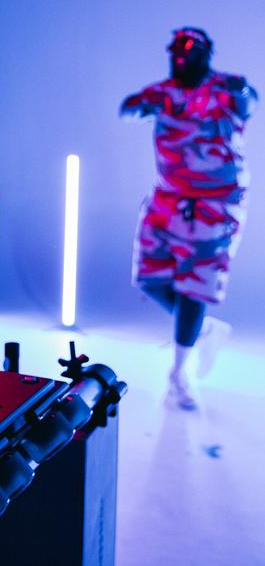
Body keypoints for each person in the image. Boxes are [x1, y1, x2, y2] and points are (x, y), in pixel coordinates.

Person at [120, 27, 254, 410]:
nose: (181, 57)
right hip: (168, 197)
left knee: (195, 287)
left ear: (205, 54)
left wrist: (242, 94)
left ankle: (181, 374)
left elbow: (248, 103)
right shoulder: (162, 92)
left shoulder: (226, 88)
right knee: (148, 278)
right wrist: (141, 108)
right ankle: (200, 329)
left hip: (215, 205)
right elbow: (129, 108)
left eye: (189, 51)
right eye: (176, 51)